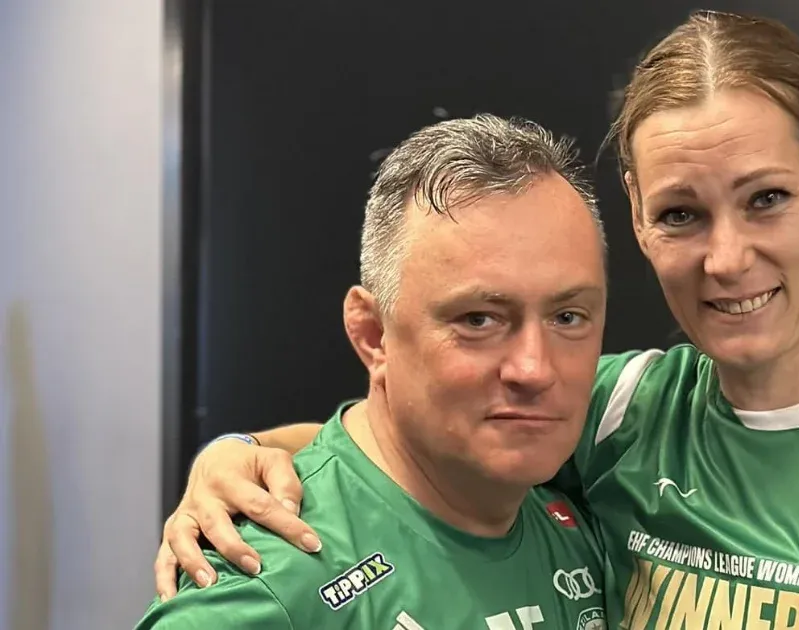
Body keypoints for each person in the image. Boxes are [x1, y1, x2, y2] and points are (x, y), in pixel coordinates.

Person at [162, 10, 799, 628]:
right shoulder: (619, 411)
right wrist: (234, 456)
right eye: (681, 214)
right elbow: (415, 441)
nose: (726, 257)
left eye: (766, 198)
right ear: (635, 215)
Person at [138, 115, 620, 628]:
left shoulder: (590, 507)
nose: (534, 369)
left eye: (568, 317)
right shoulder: (267, 585)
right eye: (479, 319)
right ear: (372, 334)